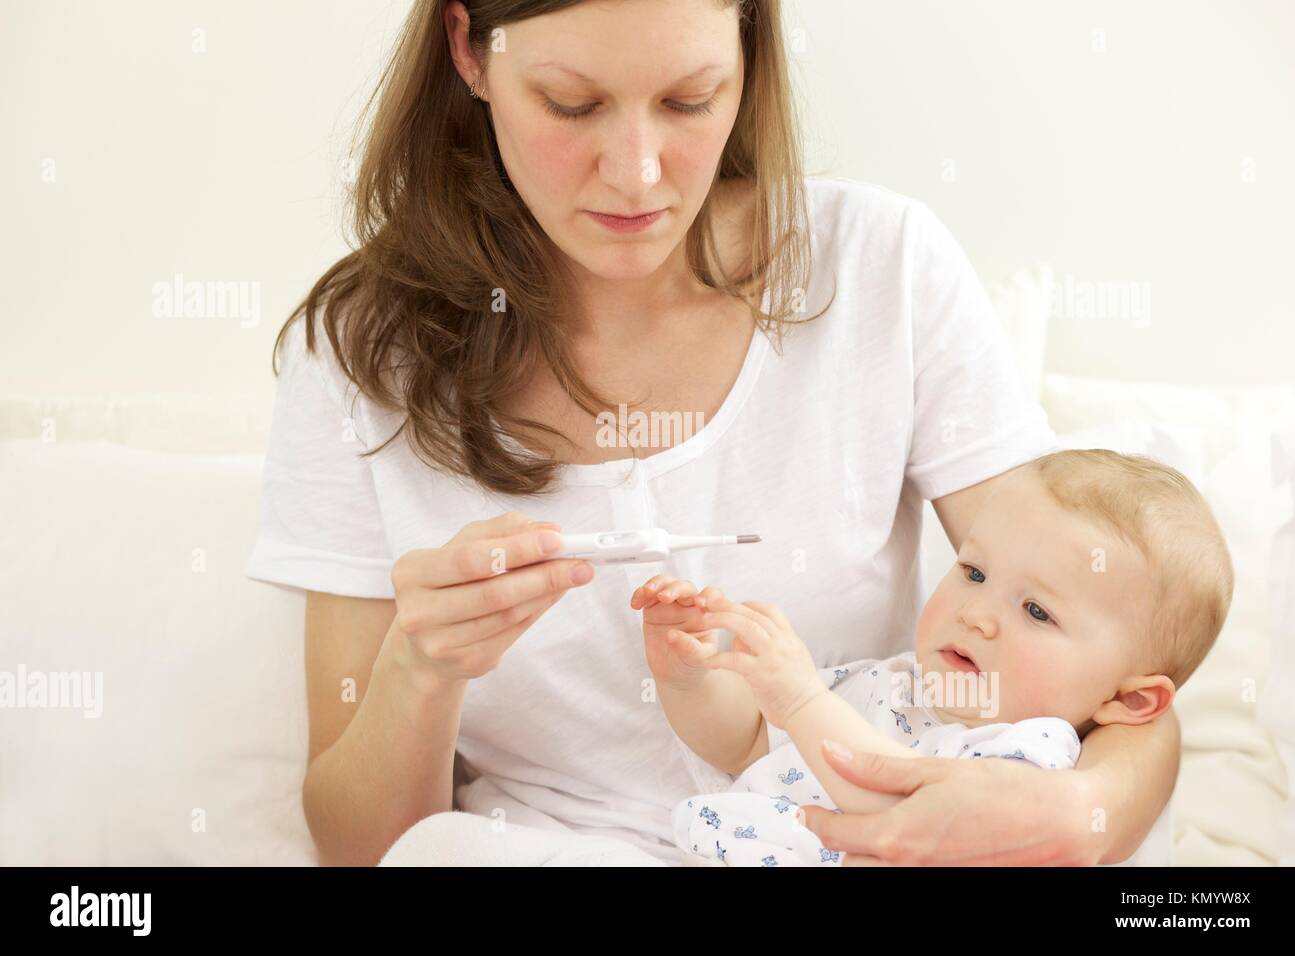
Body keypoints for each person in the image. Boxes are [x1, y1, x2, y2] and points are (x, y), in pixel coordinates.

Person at [244, 0, 1182, 866]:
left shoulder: (880, 268)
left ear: (749, 56)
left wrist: (1080, 814)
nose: (638, 170)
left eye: (690, 100)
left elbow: (1116, 630)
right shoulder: (359, 356)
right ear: (467, 50)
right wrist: (423, 660)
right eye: (572, 105)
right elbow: (365, 847)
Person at [634, 449, 1233, 865]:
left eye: (1037, 611)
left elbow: (907, 819)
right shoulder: (894, 684)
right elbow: (744, 745)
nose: (977, 613)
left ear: (1127, 699)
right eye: (973, 571)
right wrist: (689, 675)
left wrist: (799, 699)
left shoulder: (1033, 757)